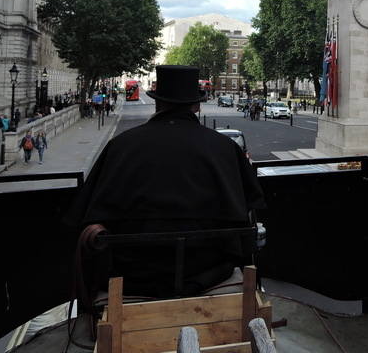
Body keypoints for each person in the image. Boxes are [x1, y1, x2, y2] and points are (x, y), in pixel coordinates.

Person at [66, 65, 265, 298]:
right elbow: (249, 211)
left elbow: (84, 217)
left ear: (157, 103)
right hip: (209, 270)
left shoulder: (120, 146)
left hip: (132, 274)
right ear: (197, 106)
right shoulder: (225, 148)